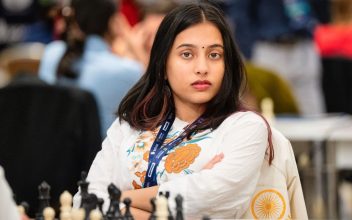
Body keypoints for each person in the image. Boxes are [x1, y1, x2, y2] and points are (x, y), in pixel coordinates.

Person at [73, 1, 289, 219]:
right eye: (187, 54)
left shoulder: (245, 127)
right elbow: (84, 202)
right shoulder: (130, 125)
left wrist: (119, 199)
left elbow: (211, 202)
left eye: (214, 55)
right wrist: (186, 188)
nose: (202, 68)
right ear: (162, 65)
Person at [38, 0, 144, 136]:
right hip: (100, 154)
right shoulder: (129, 71)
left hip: (53, 150)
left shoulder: (51, 53)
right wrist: (131, 40)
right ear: (113, 23)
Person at [225, 0, 325, 116]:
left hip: (303, 44)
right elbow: (240, 16)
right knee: (270, 108)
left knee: (311, 107)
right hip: (269, 47)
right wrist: (249, 52)